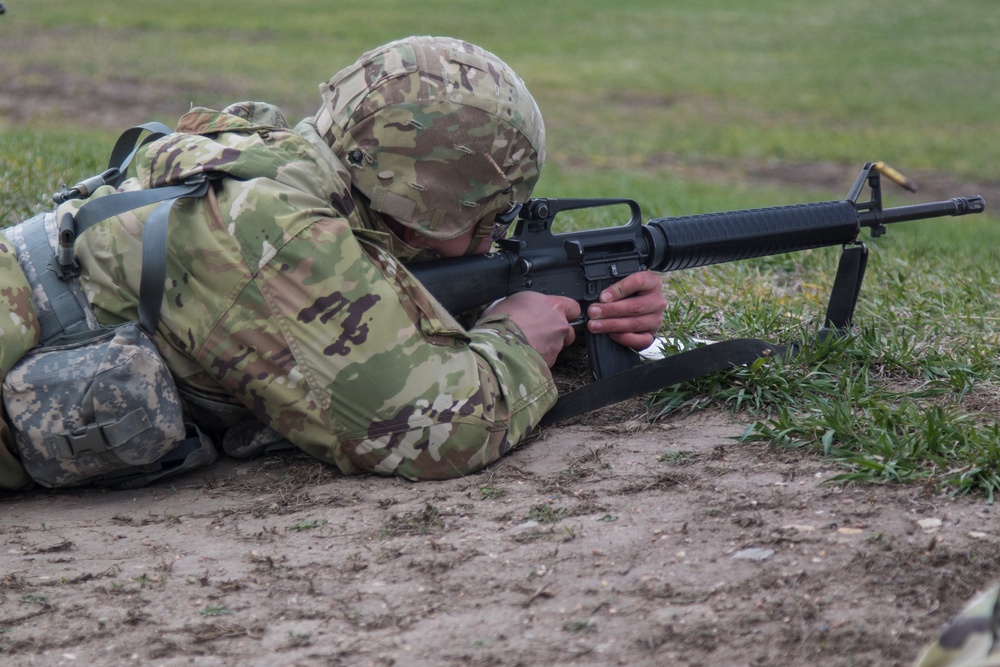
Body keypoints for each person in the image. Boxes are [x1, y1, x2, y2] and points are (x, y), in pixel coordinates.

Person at [0, 35, 667, 490]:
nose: (491, 241)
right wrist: (519, 338)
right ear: (425, 196)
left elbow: (384, 303)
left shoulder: (295, 169)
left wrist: (586, 319)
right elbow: (433, 430)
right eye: (484, 217)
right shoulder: (280, 232)